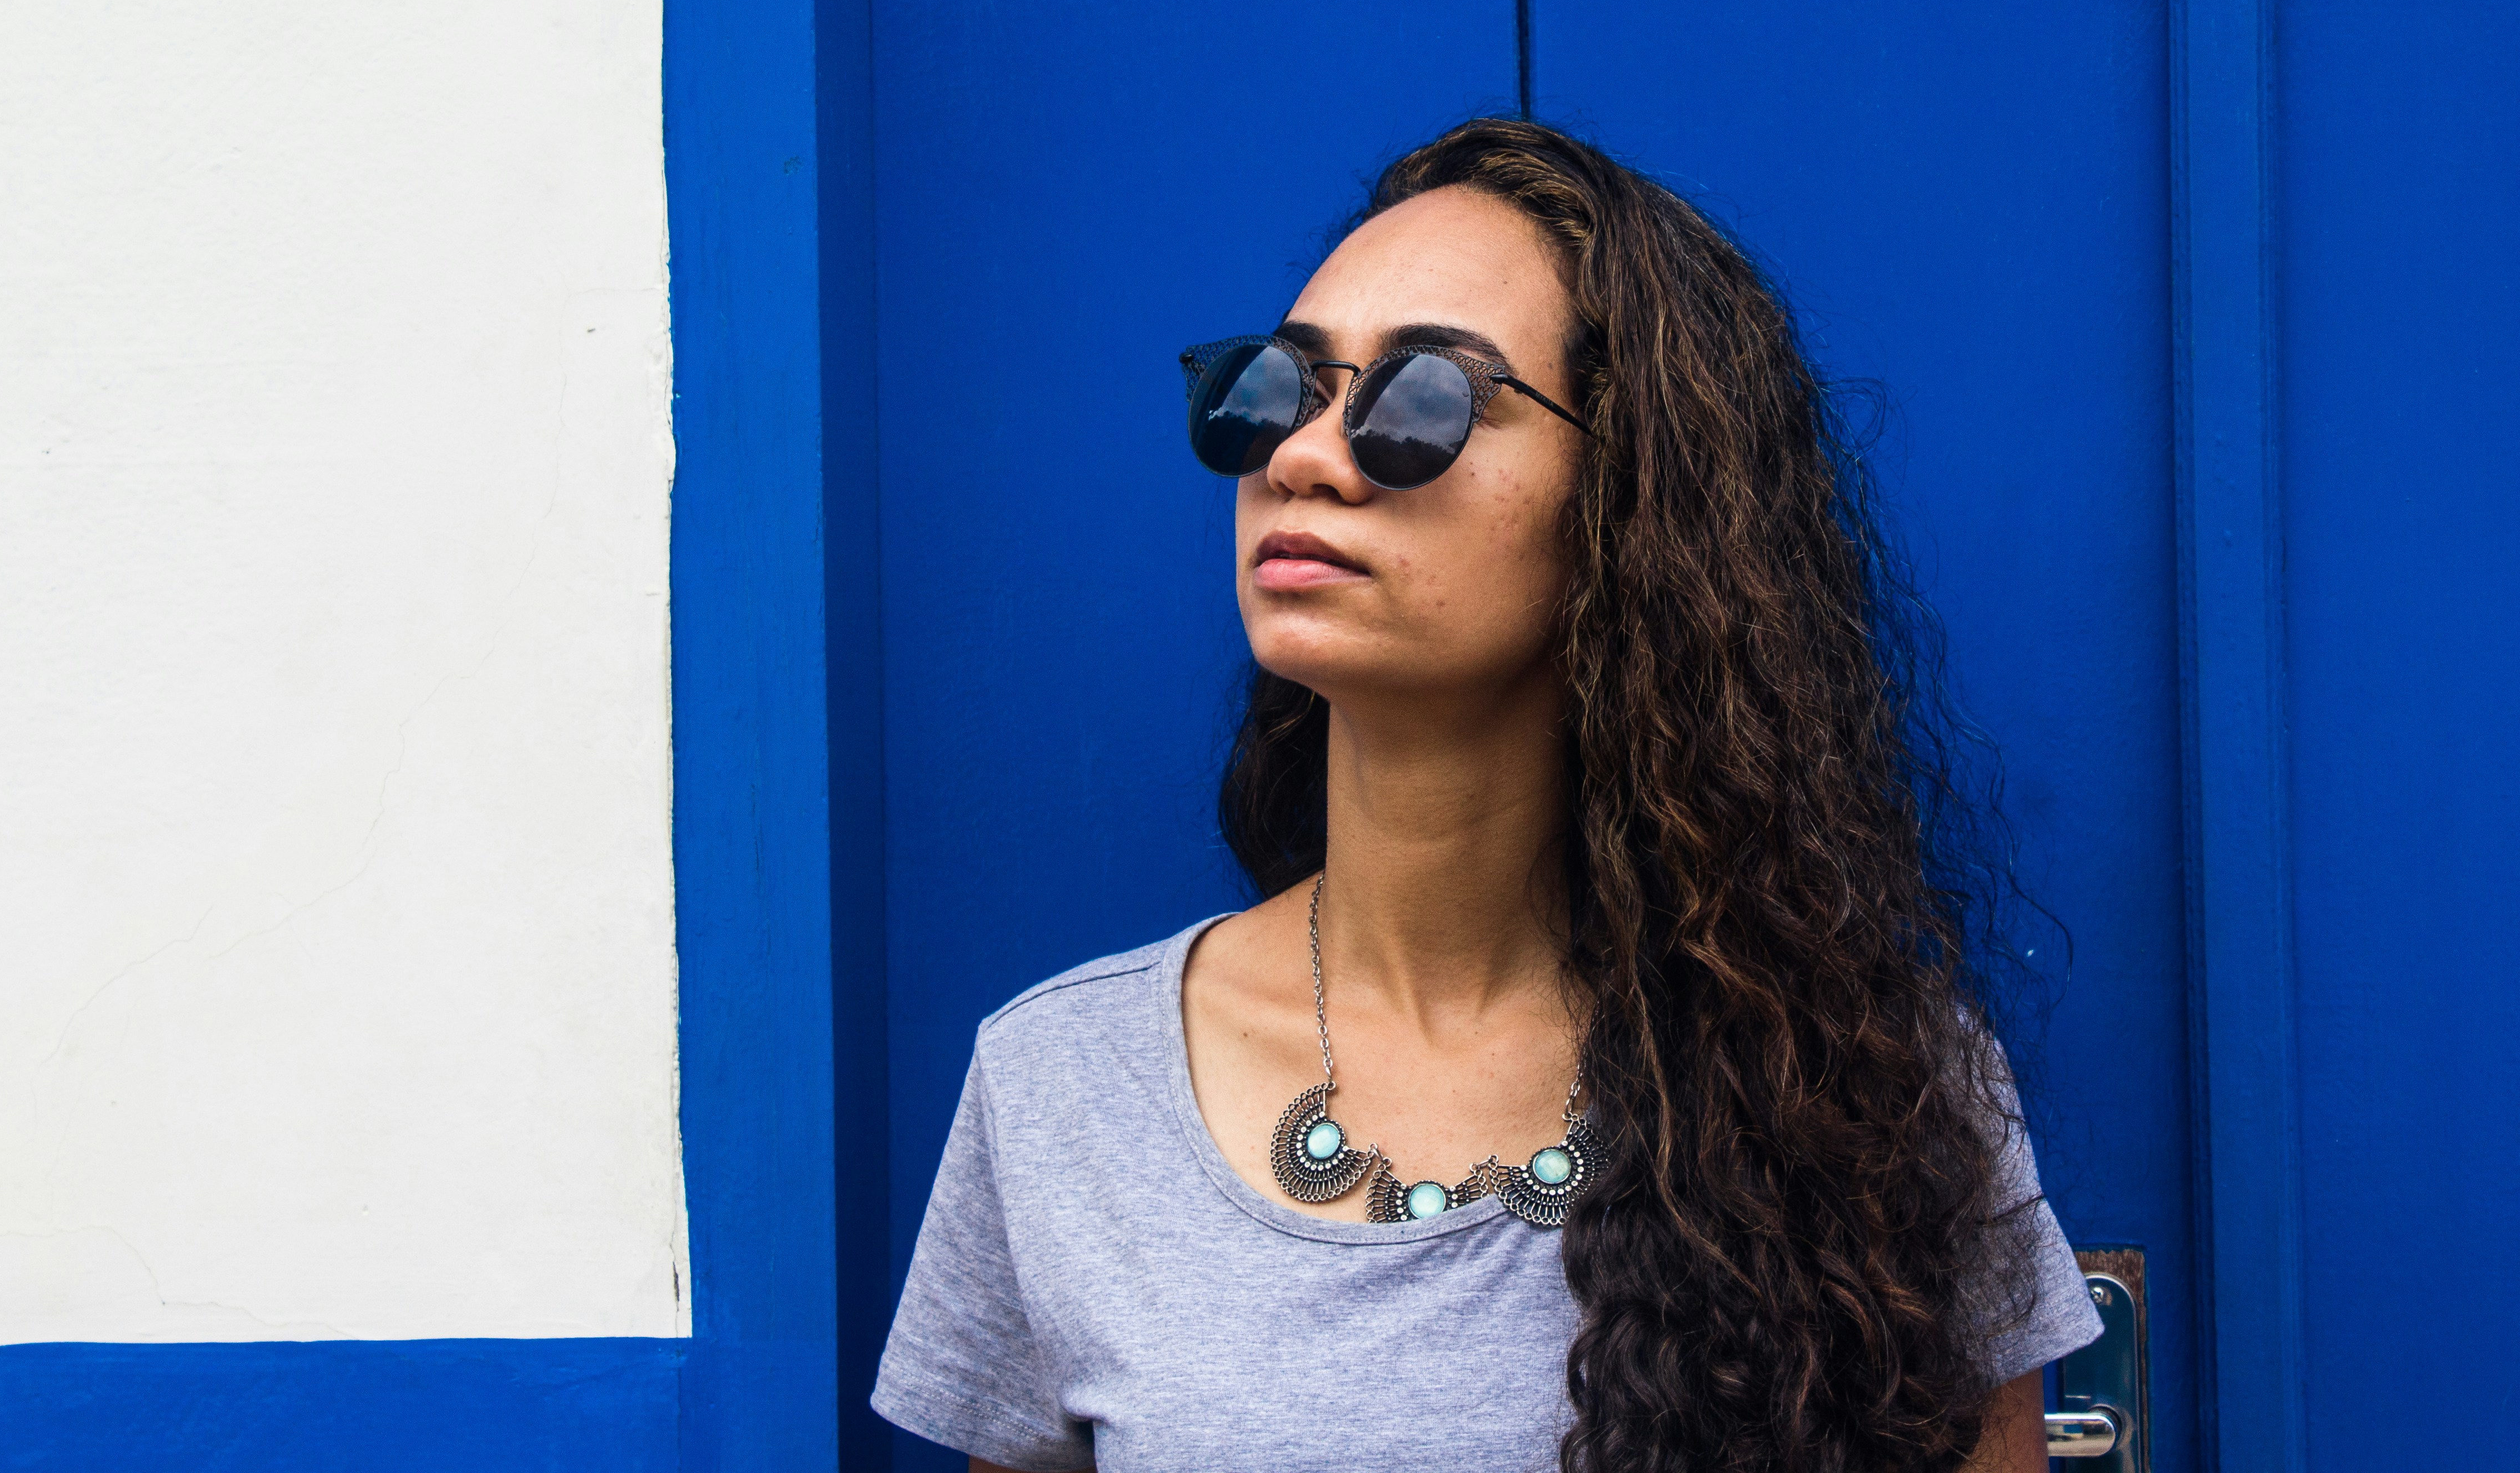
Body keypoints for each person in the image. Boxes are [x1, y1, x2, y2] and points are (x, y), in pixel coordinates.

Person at [871, 120, 2101, 1472]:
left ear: (1629, 499)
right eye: (1276, 389)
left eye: (1423, 401)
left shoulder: (1859, 1084)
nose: (1302, 458)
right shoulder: (1066, 1087)